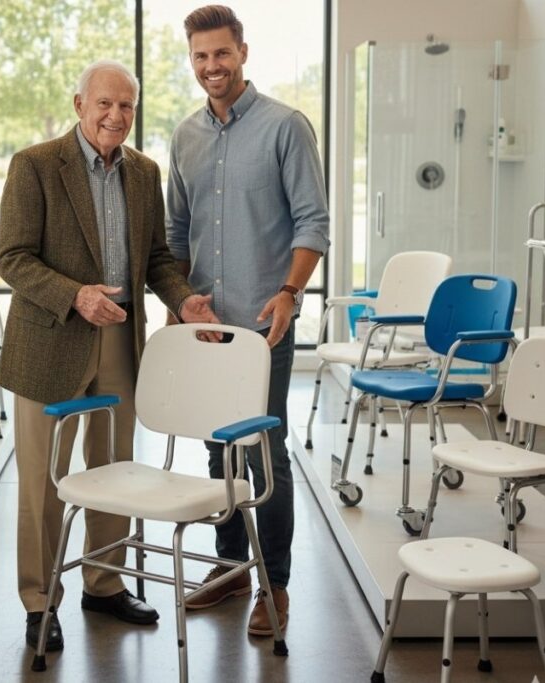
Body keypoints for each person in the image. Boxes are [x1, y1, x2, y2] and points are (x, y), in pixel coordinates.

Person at [0, 59, 219, 652]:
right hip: (50, 340)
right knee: (44, 482)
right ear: (79, 105)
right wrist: (76, 295)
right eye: (104, 104)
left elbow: (155, 260)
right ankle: (39, 597)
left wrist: (182, 300)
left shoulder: (144, 173)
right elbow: (13, 258)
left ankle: (103, 582)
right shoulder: (35, 166)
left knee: (114, 469)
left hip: (120, 339)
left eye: (126, 106)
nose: (115, 116)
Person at [166, 5, 330, 637]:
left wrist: (290, 292)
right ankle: (231, 565)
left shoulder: (287, 127)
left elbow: (313, 221)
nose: (212, 66)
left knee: (265, 456)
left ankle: (276, 585)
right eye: (201, 56)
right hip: (207, 326)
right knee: (217, 453)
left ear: (243, 52)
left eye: (222, 53)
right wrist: (179, 304)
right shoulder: (185, 136)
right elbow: (177, 231)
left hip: (267, 326)